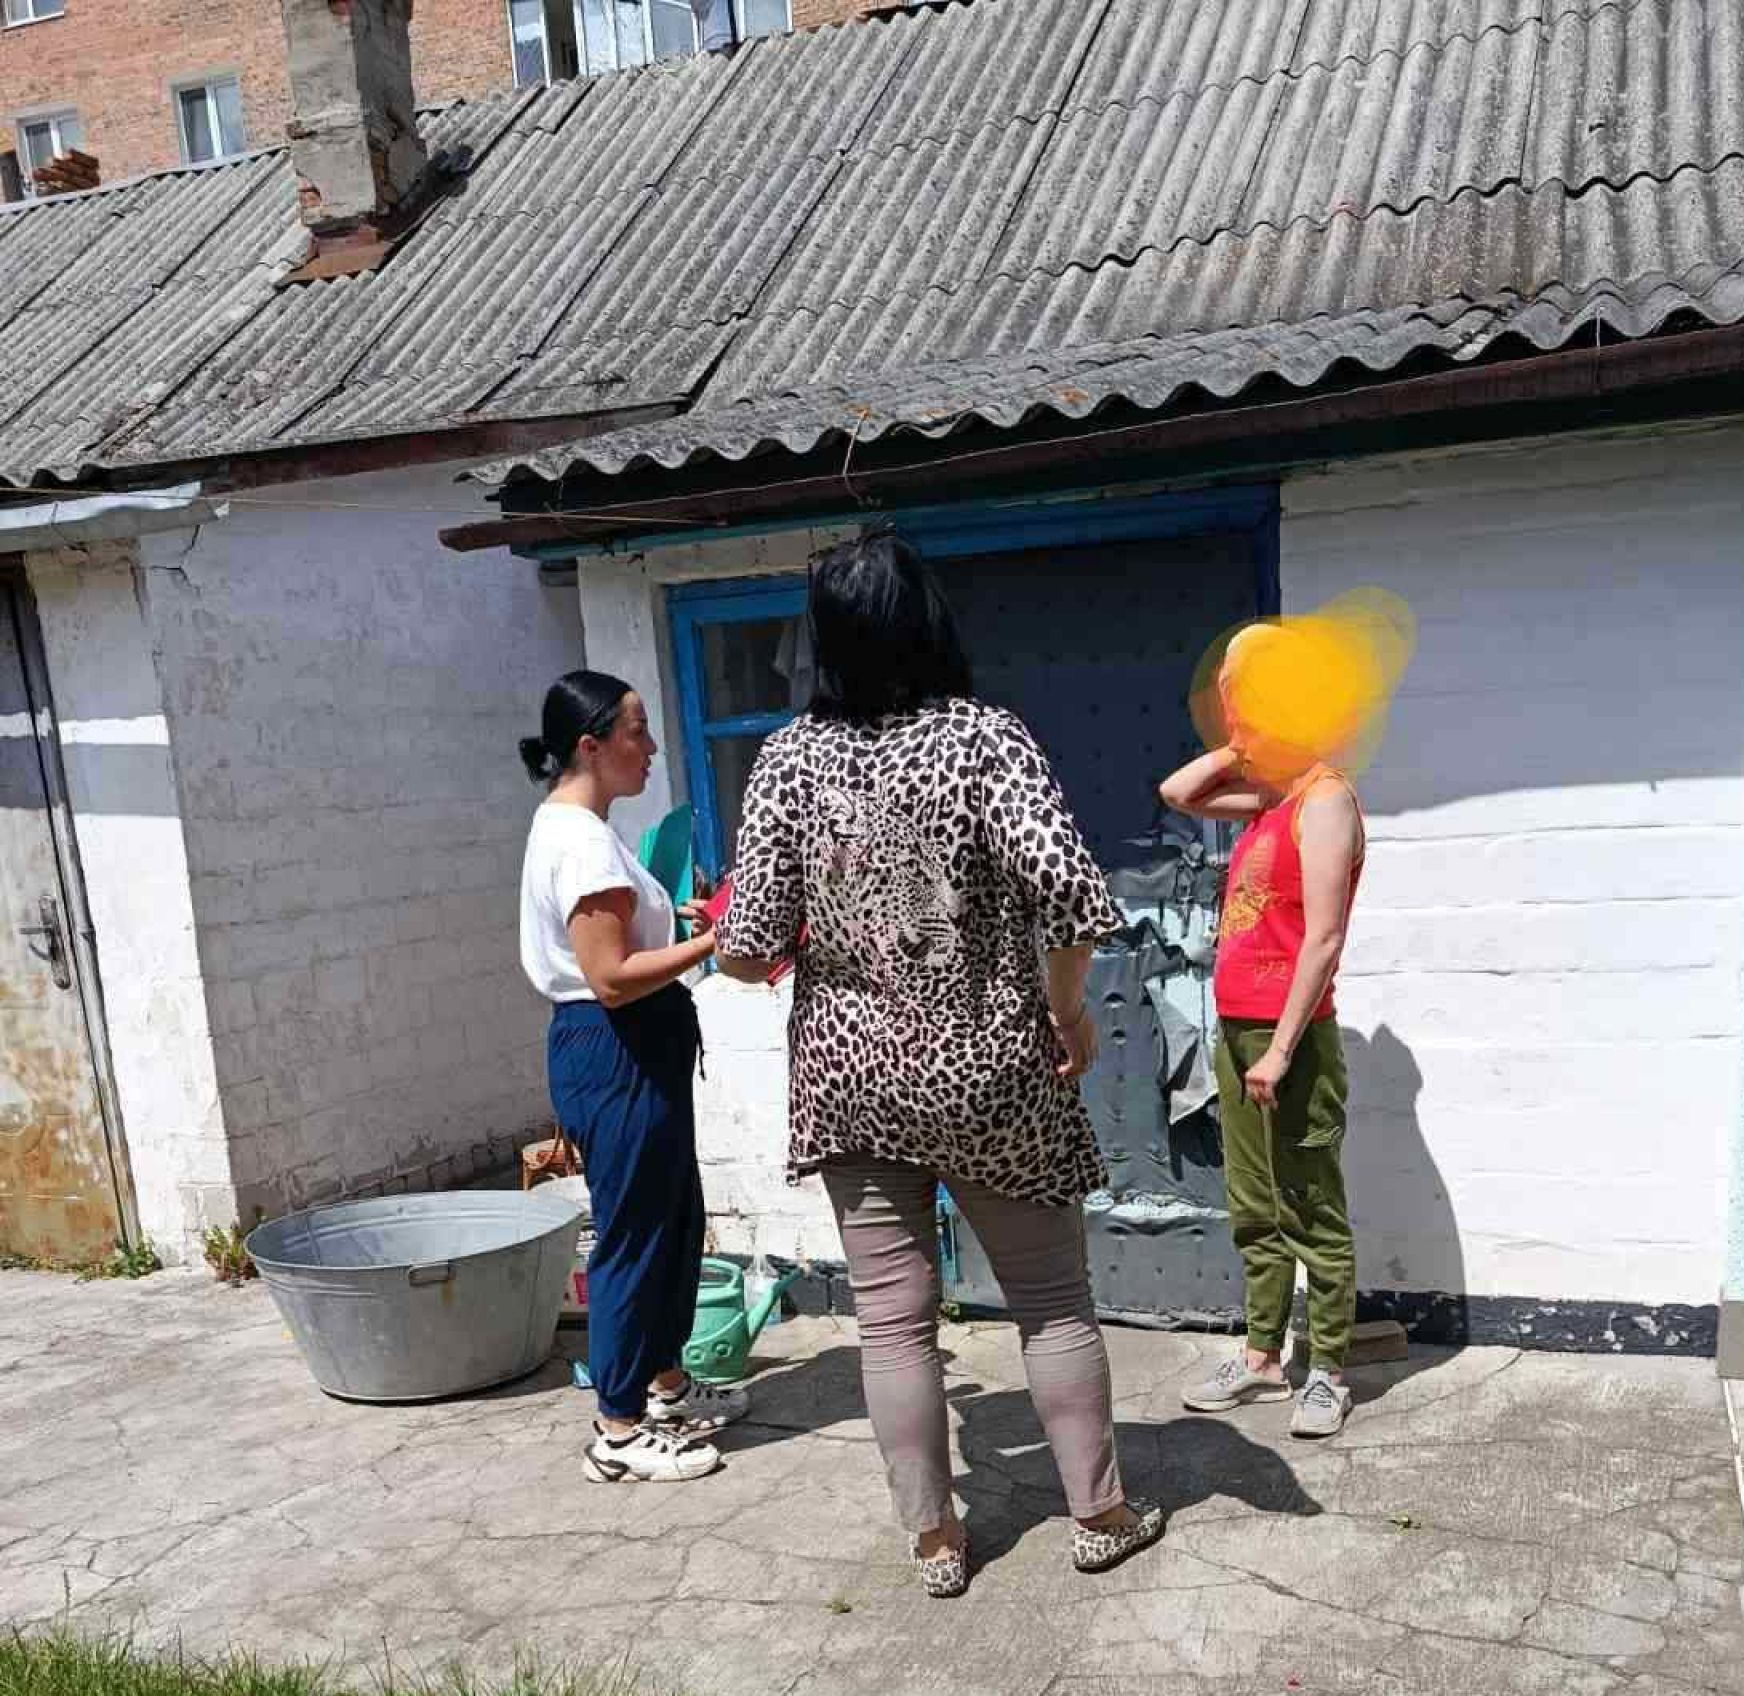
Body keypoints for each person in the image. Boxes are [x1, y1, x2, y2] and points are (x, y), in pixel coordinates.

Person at [713, 530, 1165, 1595]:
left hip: (851, 1078)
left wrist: (763, 935)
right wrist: (1066, 1010)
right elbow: (1068, 890)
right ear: (928, 621)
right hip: (990, 1065)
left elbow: (745, 950)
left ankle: (935, 1541)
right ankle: (1099, 1515)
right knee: (1051, 1303)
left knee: (891, 1320)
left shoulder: (788, 760)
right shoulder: (985, 739)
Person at [518, 671, 746, 1485]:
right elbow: (611, 977)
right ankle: (616, 1428)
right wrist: (716, 940)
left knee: (672, 1218)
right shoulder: (579, 841)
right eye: (636, 732)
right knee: (635, 1233)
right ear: (591, 746)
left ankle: (664, 1383)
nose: (650, 748)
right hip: (614, 1045)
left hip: (635, 1044)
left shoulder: (588, 830)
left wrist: (680, 920)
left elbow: (620, 935)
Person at [1160, 732, 1366, 1438]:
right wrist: (1235, 750)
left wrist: (1279, 1051)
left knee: (1310, 1207)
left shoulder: (1327, 799)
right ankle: (1263, 1361)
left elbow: (1324, 938)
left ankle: (1329, 1371)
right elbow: (1177, 793)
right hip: (1240, 1031)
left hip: (1293, 1041)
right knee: (1254, 1206)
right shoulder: (1270, 799)